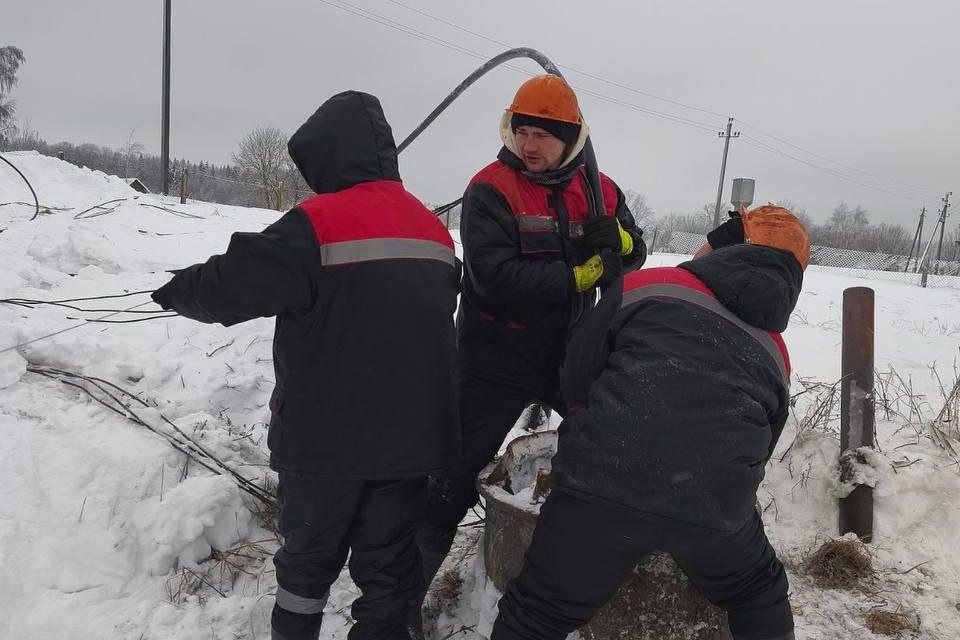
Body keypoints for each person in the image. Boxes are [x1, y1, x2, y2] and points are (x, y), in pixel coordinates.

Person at [151, 91, 460, 640]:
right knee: (389, 577)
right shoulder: (434, 230)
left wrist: (176, 290)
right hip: (412, 448)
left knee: (306, 573)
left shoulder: (317, 222)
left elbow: (231, 286)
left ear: (328, 157)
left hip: (325, 446)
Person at [490, 205, 809, 640]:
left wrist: (597, 435)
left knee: (538, 610)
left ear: (723, 250)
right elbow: (765, 436)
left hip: (601, 483)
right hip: (712, 504)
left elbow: (577, 369)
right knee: (757, 588)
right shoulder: (774, 347)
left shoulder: (649, 283)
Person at [414, 74, 647, 622]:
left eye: (544, 135)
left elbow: (637, 250)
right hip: (492, 357)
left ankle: (604, 575)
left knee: (612, 451)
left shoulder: (600, 188)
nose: (530, 144)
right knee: (447, 481)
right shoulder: (491, 189)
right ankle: (396, 605)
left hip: (569, 352)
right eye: (522, 131)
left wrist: (618, 241)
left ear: (571, 139)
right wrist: (582, 271)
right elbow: (496, 278)